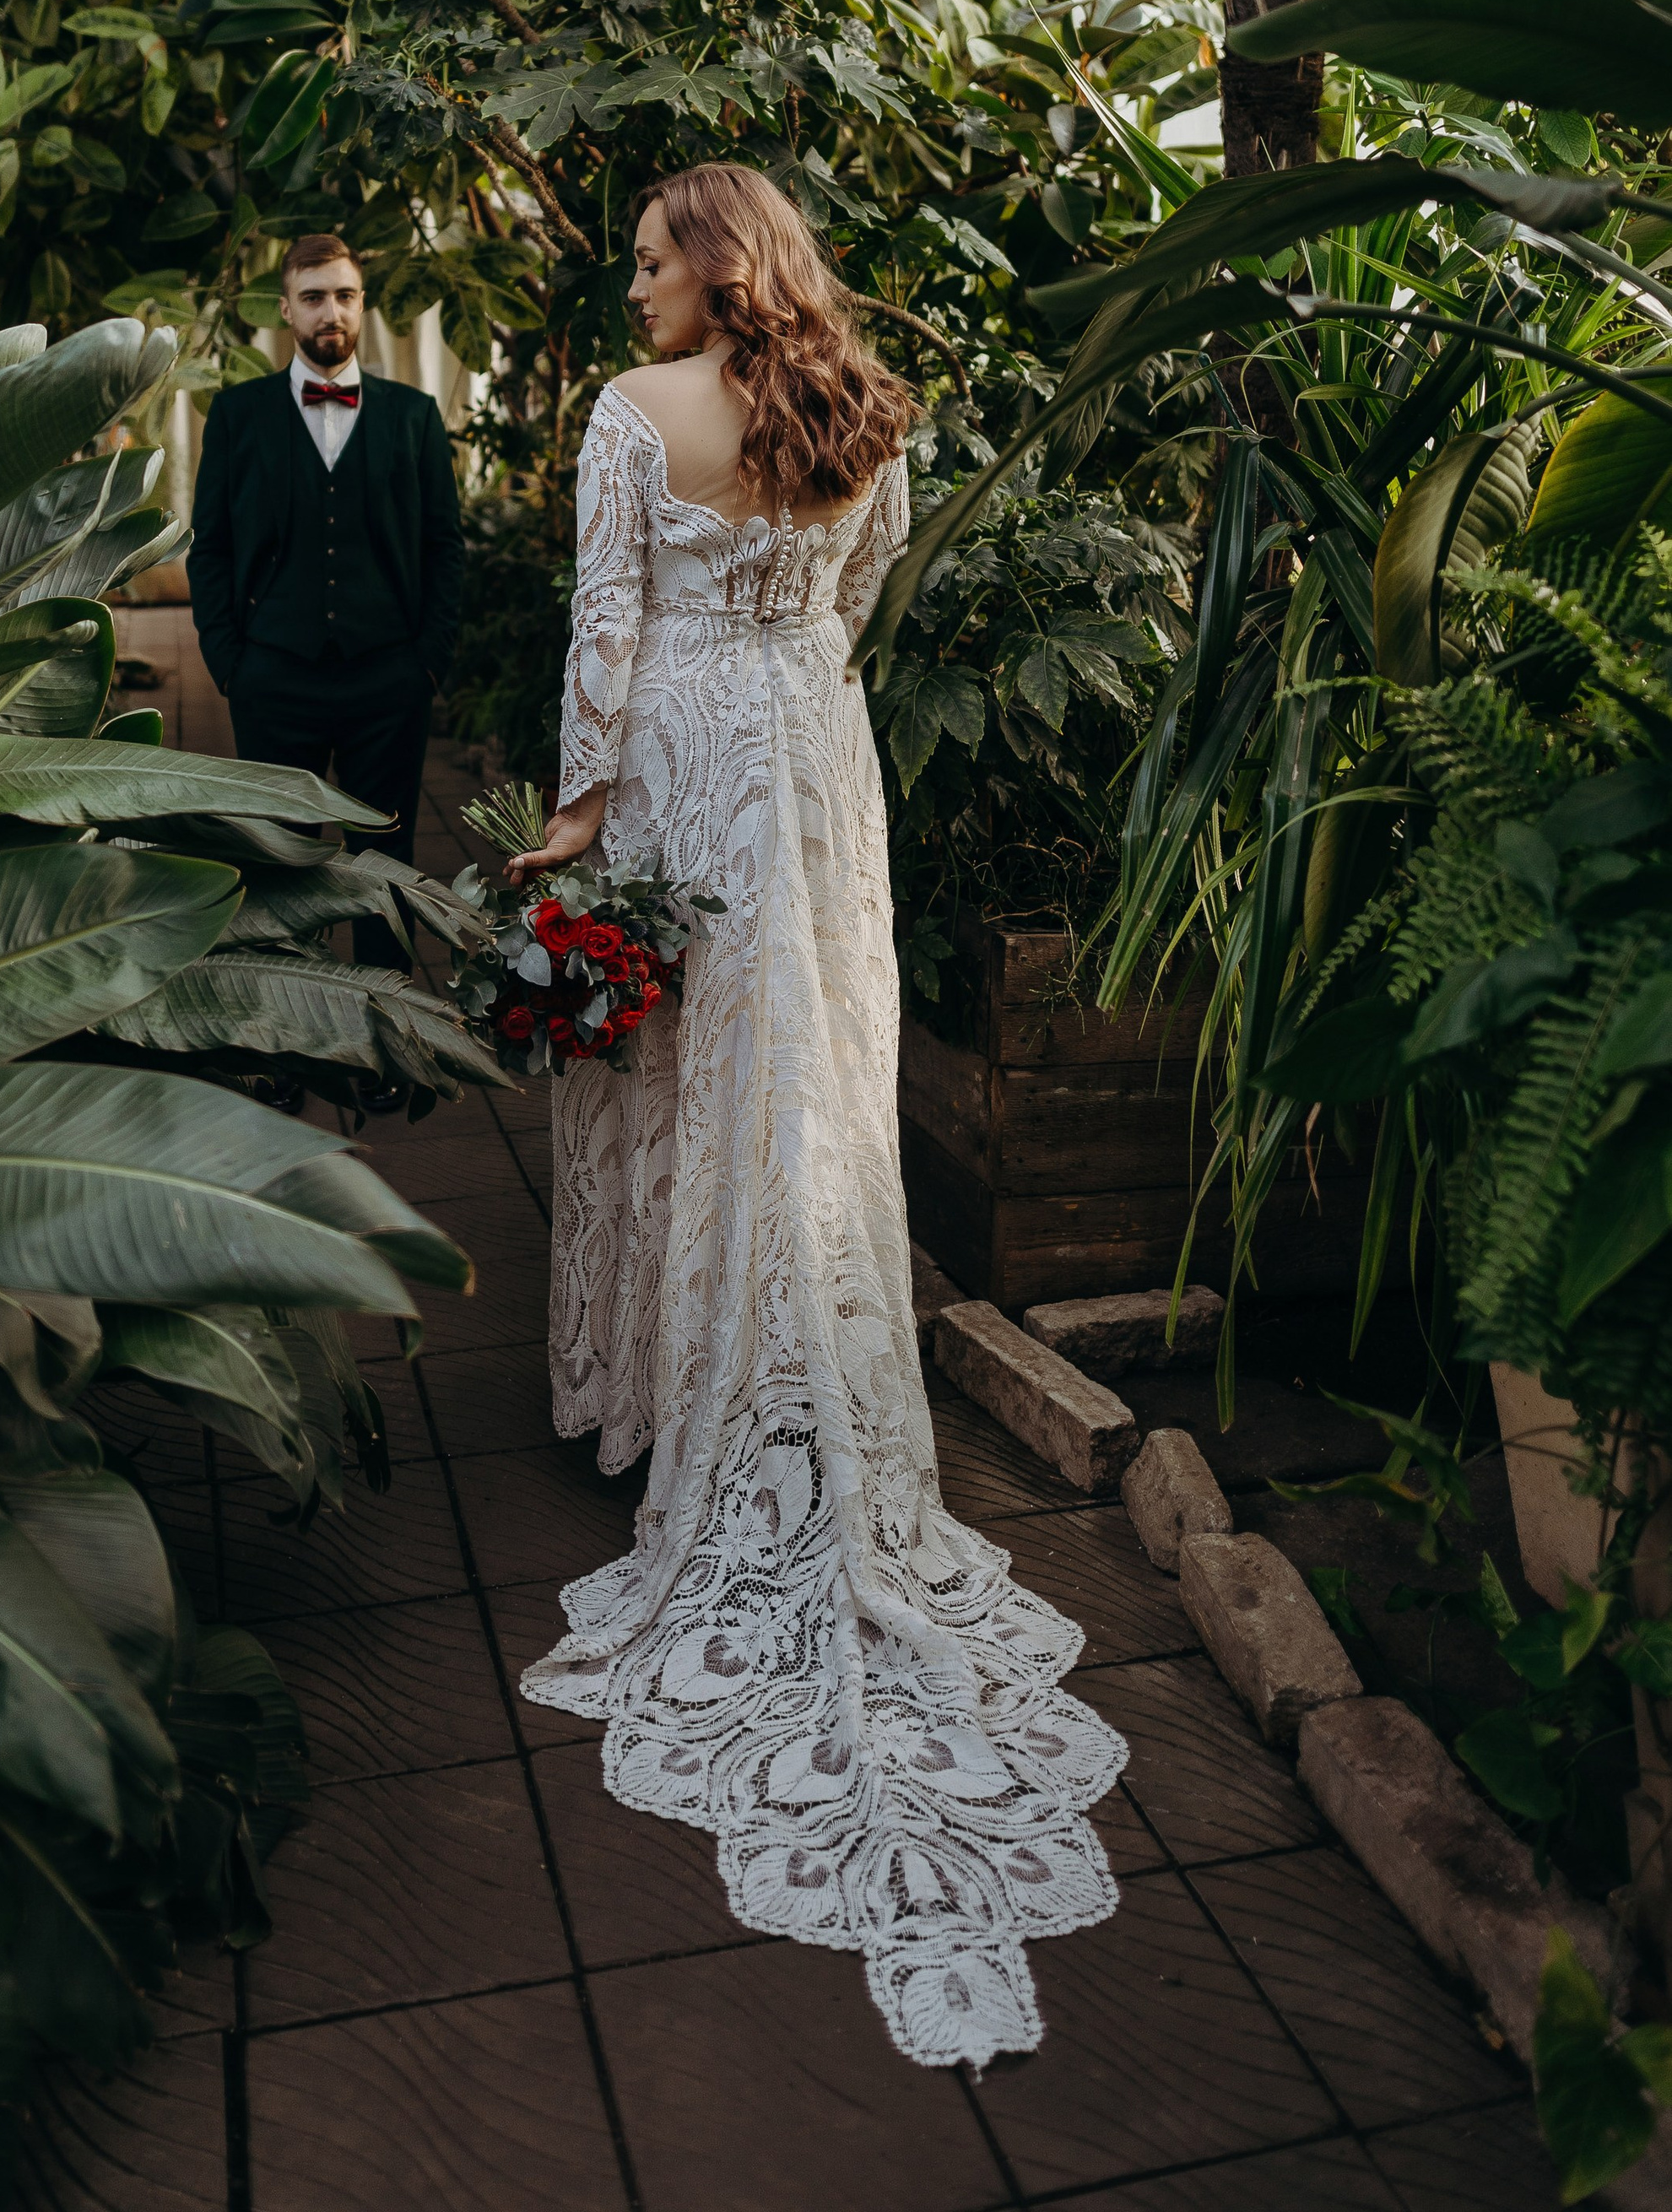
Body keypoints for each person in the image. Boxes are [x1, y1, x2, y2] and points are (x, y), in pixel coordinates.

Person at [506, 162, 1125, 2069]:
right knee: (810, 1072)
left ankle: (660, 1398)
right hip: (811, 755)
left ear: (714, 264)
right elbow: (850, 602)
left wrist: (571, 822)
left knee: (680, 1070)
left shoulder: (632, 419)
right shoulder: (868, 411)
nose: (627, 295)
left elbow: (602, 634)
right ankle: (798, 1372)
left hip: (683, 761)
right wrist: (774, 682)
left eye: (643, 263)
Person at [189, 231, 464, 1060]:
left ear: (360, 302)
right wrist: (230, 662)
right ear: (286, 309)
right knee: (282, 868)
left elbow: (442, 548)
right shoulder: (236, 415)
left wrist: (427, 661)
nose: (330, 311)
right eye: (313, 296)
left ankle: (383, 1043)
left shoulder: (414, 416)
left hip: (389, 679)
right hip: (274, 677)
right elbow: (212, 550)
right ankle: (289, 1046)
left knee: (386, 865)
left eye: (344, 294)